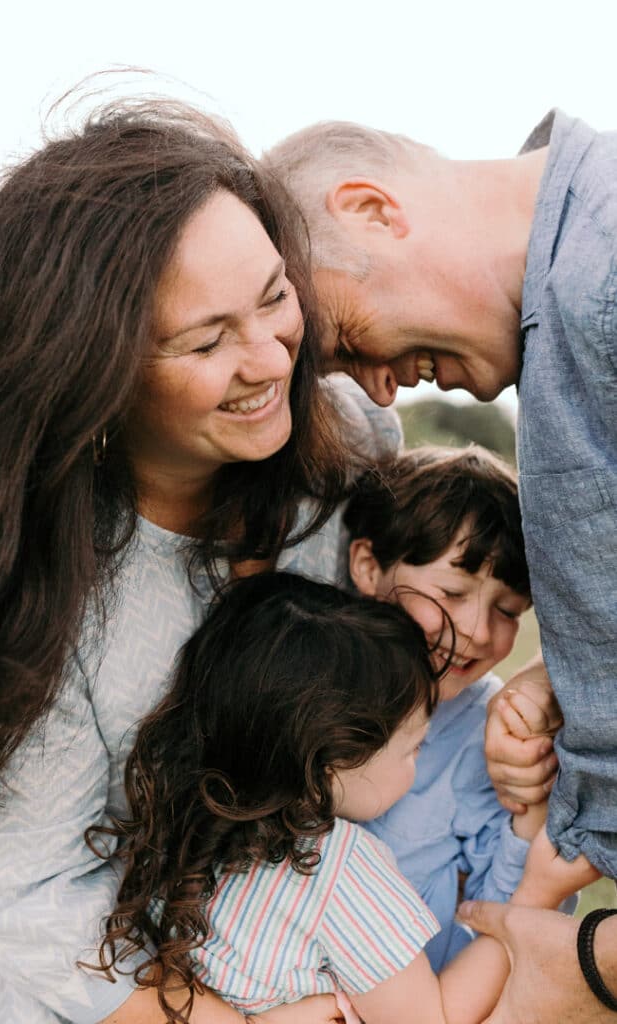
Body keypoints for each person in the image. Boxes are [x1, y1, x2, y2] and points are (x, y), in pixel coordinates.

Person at [0, 96, 402, 1024]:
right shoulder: (21, 594)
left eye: (274, 296)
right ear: (88, 373)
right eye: (206, 340)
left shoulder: (344, 443)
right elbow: (26, 896)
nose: (270, 357)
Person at [265, 111, 617, 1020]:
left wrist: (590, 963)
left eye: (344, 339)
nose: (378, 389)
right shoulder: (569, 333)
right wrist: (555, 674)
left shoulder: (604, 273)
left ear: (373, 211)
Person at [93, 570, 595, 1024]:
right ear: (329, 763)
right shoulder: (339, 872)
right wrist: (534, 897)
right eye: (413, 748)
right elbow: (434, 1020)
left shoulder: (182, 821)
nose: (417, 763)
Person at [342, 444, 576, 971]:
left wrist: (531, 814)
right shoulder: (309, 680)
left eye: (508, 610)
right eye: (452, 592)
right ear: (367, 566)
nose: (476, 630)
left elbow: (500, 908)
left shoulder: (488, 731)